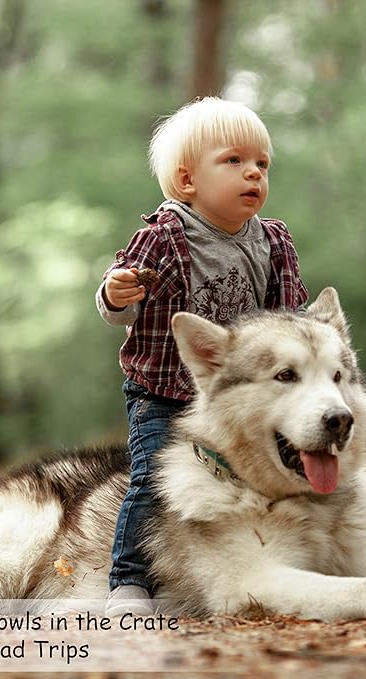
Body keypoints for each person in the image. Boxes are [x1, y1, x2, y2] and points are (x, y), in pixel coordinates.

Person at [96, 96, 309, 616]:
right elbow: (117, 306)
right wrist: (117, 291)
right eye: (234, 161)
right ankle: (129, 580)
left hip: (239, 398)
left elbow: (290, 318)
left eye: (262, 163)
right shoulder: (165, 237)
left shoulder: (273, 241)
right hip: (165, 390)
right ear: (188, 181)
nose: (253, 173)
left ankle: (276, 558)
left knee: (258, 472)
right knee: (152, 475)